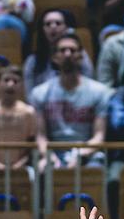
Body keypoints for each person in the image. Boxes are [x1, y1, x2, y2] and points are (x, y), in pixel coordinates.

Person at [30, 32, 112, 169]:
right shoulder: (40, 93)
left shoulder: (99, 91)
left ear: (81, 56)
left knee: (96, 168)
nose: (68, 54)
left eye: (73, 50)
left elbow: (99, 136)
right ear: (54, 57)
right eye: (62, 50)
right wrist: (48, 155)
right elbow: (41, 136)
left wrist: (81, 154)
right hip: (53, 152)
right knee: (42, 168)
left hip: (87, 151)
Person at [23, 9, 93, 92]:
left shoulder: (79, 55)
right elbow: (30, 95)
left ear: (67, 28)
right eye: (48, 24)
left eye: (58, 23)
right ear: (42, 30)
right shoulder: (32, 61)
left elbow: (89, 85)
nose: (53, 27)